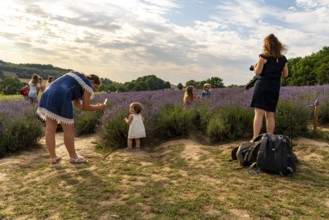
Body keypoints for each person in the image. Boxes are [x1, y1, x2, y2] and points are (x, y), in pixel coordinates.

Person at [37, 71, 107, 164]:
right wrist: (99, 107)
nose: (95, 90)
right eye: (96, 87)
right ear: (93, 81)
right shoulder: (87, 84)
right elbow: (86, 107)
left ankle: (53, 157)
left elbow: (77, 104)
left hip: (47, 93)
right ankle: (73, 157)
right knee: (68, 129)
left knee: (50, 129)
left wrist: (95, 106)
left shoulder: (77, 78)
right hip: (62, 95)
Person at [250, 33, 288, 141]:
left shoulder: (263, 57)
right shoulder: (283, 59)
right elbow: (285, 75)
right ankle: (270, 138)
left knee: (258, 113)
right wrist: (275, 73)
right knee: (270, 114)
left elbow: (257, 73)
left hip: (262, 86)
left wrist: (255, 67)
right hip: (274, 87)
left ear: (266, 45)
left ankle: (255, 138)